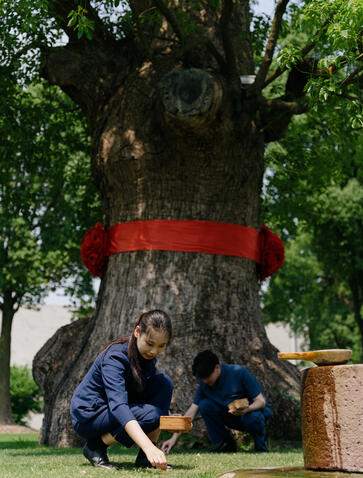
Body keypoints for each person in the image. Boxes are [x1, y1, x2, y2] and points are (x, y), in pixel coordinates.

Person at [70, 309, 173, 471]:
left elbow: (142, 396)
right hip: (89, 416)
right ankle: (95, 447)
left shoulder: (147, 358)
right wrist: (149, 446)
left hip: (112, 409)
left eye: (161, 346)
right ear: (138, 331)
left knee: (163, 383)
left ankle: (145, 459)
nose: (154, 351)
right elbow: (118, 405)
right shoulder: (115, 357)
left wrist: (170, 419)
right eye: (150, 343)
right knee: (152, 414)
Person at [161, 350, 273, 454]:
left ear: (217, 368)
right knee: (204, 405)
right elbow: (191, 413)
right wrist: (173, 439)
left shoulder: (239, 372)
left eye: (207, 377)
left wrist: (247, 409)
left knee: (252, 417)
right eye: (202, 378)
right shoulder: (205, 384)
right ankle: (224, 445)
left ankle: (261, 447)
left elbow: (261, 402)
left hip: (253, 415)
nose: (205, 381)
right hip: (231, 416)